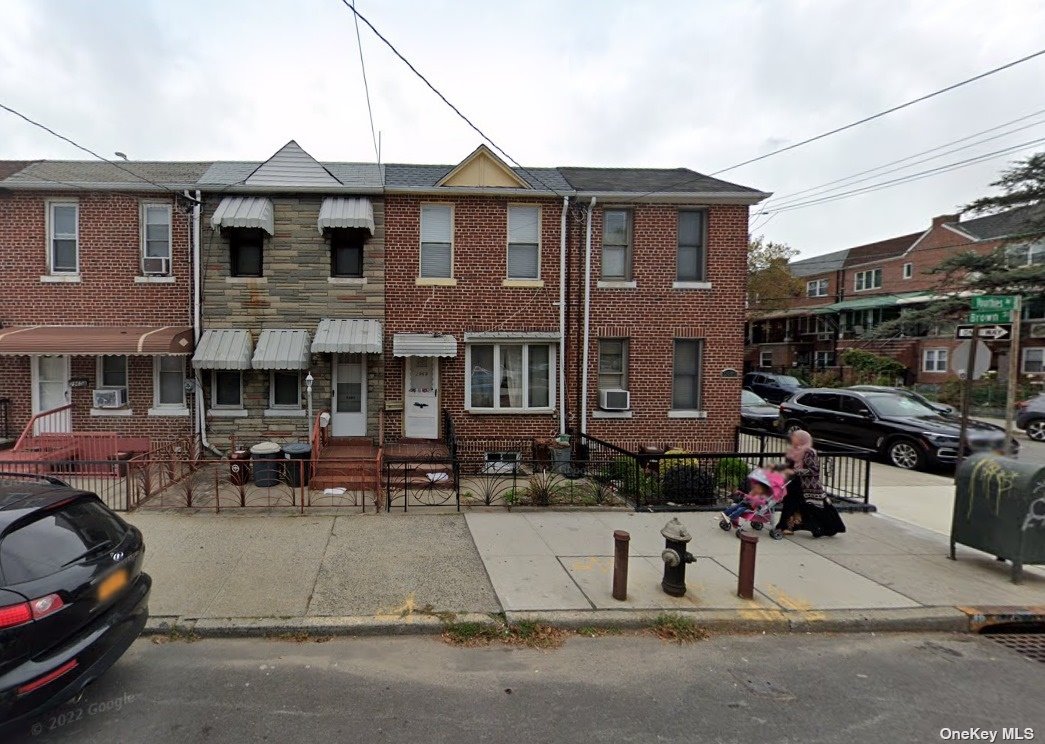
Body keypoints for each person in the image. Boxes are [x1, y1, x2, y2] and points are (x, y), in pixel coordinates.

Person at [773, 429, 846, 537]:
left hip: (807, 486)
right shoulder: (793, 451)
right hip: (794, 482)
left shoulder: (808, 452)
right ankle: (784, 526)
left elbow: (814, 470)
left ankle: (828, 528)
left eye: (796, 438)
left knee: (814, 508)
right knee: (790, 504)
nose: (793, 440)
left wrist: (796, 471)